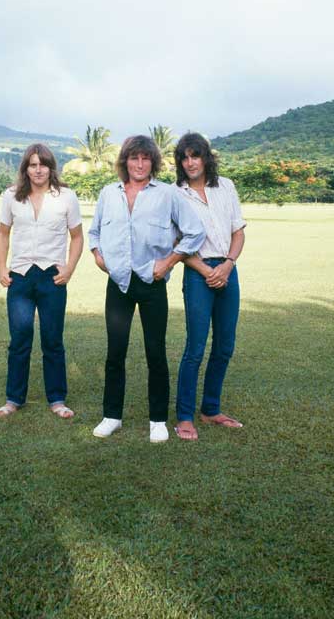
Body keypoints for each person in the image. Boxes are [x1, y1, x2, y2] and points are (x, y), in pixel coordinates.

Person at [88, 134, 205, 442]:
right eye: (133, 158)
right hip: (119, 284)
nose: (139, 164)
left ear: (153, 162)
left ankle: (157, 420)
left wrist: (168, 263)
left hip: (152, 283)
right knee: (115, 352)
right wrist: (98, 256)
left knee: (155, 352)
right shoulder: (108, 193)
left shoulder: (168, 194)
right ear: (124, 161)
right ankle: (111, 416)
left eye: (145, 158)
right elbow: (94, 232)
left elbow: (194, 232)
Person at [0, 144, 84, 419]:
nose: (38, 169)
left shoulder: (66, 197)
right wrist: (1, 267)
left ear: (50, 167)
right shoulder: (11, 196)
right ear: (26, 168)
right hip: (20, 277)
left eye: (42, 164)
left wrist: (69, 269)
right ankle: (13, 399)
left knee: (52, 339)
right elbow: (2, 234)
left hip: (52, 277)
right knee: (19, 339)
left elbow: (77, 237)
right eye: (32, 165)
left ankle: (57, 399)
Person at [172, 133, 246, 441]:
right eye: (184, 157)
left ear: (206, 158)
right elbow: (176, 243)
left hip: (228, 270)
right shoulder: (175, 194)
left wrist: (227, 265)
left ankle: (211, 409)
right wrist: (205, 270)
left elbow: (238, 232)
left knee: (225, 345)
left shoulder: (225, 186)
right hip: (197, 272)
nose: (190, 162)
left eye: (195, 155)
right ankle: (185, 417)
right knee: (196, 347)